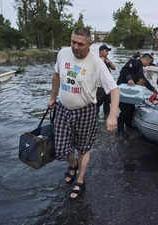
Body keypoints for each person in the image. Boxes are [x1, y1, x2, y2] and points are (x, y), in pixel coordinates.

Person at [48, 27, 120, 199]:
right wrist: (52, 97)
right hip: (63, 108)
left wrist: (111, 115)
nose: (75, 46)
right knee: (62, 148)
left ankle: (80, 179)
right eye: (73, 42)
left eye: (80, 44)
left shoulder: (97, 63)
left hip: (86, 111)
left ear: (89, 44)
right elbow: (56, 75)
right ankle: (72, 165)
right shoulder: (63, 53)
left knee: (83, 148)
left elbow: (114, 89)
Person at [117, 53, 157, 137]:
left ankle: (128, 125)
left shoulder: (140, 68)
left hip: (130, 93)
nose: (148, 65)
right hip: (123, 92)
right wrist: (129, 79)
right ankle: (119, 130)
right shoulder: (133, 62)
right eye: (148, 62)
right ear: (146, 59)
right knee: (124, 110)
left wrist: (153, 89)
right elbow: (124, 70)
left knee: (131, 109)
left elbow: (144, 80)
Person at [96, 44, 116, 119]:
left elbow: (114, 68)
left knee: (107, 103)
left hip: (108, 87)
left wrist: (108, 62)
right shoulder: (97, 60)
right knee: (97, 104)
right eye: (106, 51)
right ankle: (95, 119)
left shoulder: (107, 60)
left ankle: (106, 117)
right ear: (101, 51)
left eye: (108, 51)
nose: (108, 53)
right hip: (99, 87)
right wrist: (102, 61)